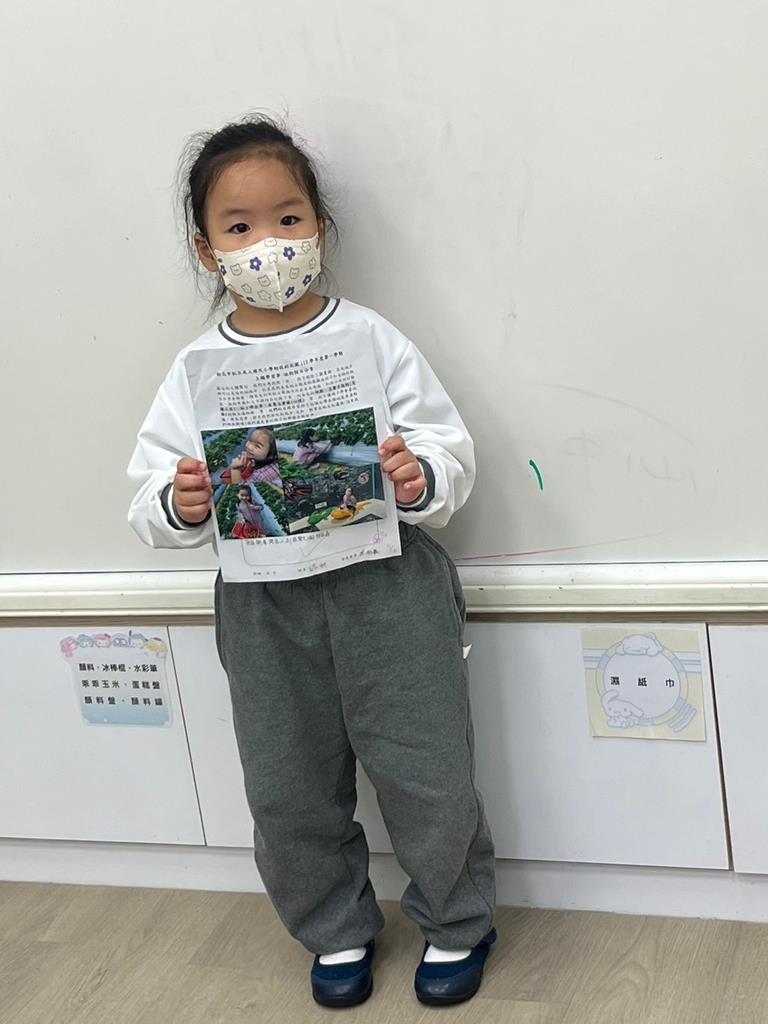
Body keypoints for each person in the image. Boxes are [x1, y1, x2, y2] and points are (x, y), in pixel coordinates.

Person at [127, 116, 496, 1010]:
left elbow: (446, 448)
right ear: (207, 248)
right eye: (240, 226)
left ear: (320, 228)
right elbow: (150, 493)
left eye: (288, 219)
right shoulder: (197, 368)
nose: (269, 244)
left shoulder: (369, 337)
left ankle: (457, 919)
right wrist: (179, 502)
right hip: (264, 606)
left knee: (427, 767)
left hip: (387, 585)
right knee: (286, 781)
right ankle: (334, 928)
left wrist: (417, 475)